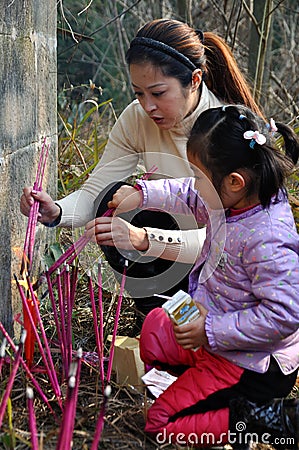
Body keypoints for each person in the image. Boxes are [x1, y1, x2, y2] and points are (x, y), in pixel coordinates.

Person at [20, 18, 264, 329]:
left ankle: (194, 331)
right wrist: (56, 210)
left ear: (195, 79)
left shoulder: (228, 134)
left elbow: (222, 243)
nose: (147, 106)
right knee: (114, 201)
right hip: (169, 249)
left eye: (158, 93)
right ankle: (159, 323)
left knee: (146, 225)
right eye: (139, 93)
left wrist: (144, 239)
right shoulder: (137, 118)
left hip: (226, 275)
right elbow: (98, 189)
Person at [103, 105, 299, 449]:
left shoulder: (267, 237)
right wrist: (141, 194)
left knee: (161, 422)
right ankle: (202, 391)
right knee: (153, 328)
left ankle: (266, 420)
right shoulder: (229, 196)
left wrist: (209, 330)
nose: (194, 184)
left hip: (249, 362)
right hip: (214, 326)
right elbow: (187, 193)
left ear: (235, 182)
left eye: (198, 175)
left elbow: (286, 314)